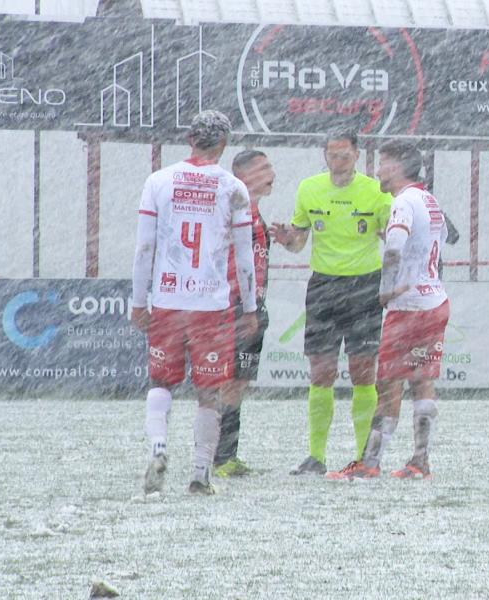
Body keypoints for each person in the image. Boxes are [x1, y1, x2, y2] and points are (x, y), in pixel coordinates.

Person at [131, 110, 258, 496]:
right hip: (211, 305)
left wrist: (140, 301)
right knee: (209, 391)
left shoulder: (159, 181)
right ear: (223, 144)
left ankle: (157, 448)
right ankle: (200, 474)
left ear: (189, 139)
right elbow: (245, 256)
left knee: (160, 382)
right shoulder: (233, 187)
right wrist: (250, 307)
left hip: (169, 298)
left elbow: (144, 247)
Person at [269, 132, 393, 476]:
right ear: (324, 155)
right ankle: (316, 456)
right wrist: (286, 239)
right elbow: (298, 243)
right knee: (321, 372)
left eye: (344, 156)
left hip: (364, 287)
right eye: (331, 155)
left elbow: (392, 237)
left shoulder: (376, 192)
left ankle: (363, 458)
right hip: (323, 286)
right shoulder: (309, 189)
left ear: (356, 155)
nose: (337, 162)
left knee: (363, 374)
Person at [327, 140, 449, 481]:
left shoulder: (402, 202)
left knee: (388, 385)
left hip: (408, 305)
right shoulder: (429, 200)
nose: (377, 171)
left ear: (397, 167)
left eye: (382, 164)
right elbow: (434, 242)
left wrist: (385, 291)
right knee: (423, 382)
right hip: (434, 300)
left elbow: (395, 247)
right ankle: (420, 462)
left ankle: (370, 463)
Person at [212, 150, 275, 478]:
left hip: (252, 306)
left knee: (238, 382)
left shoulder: (253, 211)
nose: (271, 173)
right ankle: (219, 457)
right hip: (235, 307)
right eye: (263, 167)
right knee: (228, 383)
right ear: (242, 174)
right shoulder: (234, 209)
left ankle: (226, 455)